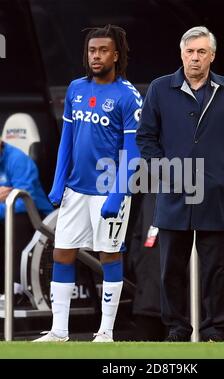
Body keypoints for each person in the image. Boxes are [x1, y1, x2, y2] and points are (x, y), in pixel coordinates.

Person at [136, 26, 224, 342]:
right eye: (190, 51)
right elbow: (145, 138)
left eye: (202, 51)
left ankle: (214, 329)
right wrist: (165, 172)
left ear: (212, 55)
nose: (195, 58)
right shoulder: (160, 89)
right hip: (173, 192)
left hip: (213, 193)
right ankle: (177, 327)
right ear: (181, 54)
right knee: (171, 268)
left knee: (215, 269)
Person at [33, 25, 142, 342]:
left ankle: (106, 332)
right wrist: (57, 183)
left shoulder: (128, 95)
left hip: (109, 190)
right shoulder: (75, 89)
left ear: (116, 55)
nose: (96, 56)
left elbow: (132, 151)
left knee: (110, 254)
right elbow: (67, 139)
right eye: (92, 50)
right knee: (62, 253)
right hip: (75, 191)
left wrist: (117, 194)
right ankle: (59, 331)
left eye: (103, 50)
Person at [0, 139, 53, 298]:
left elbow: (23, 202)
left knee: (16, 220)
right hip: (7, 214)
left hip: (38, 218)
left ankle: (16, 288)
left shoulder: (17, 160)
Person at [127, 193, 167, 341]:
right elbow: (138, 234)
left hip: (177, 300)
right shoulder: (151, 196)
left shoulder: (190, 195)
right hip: (146, 293)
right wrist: (138, 263)